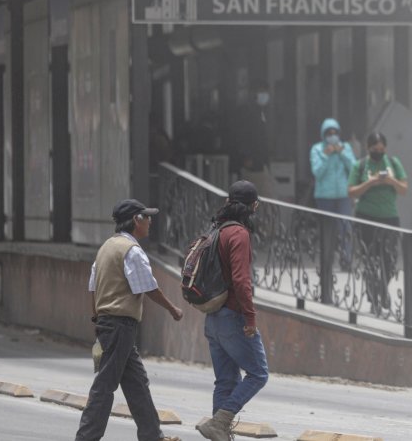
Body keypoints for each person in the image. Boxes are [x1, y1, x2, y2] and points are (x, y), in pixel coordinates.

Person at [76, 199, 184, 441]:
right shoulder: (131, 251)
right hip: (120, 325)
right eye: (147, 217)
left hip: (110, 324)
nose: (150, 221)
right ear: (136, 220)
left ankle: (152, 436)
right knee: (104, 386)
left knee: (137, 383)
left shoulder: (106, 248)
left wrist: (97, 318)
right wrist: (173, 309)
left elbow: (93, 287)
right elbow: (148, 287)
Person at [196, 181, 270, 441]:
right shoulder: (239, 234)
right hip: (232, 316)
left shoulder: (217, 229)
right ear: (254, 206)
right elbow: (241, 280)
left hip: (213, 316)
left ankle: (218, 431)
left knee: (226, 380)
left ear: (228, 202)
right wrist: (250, 317)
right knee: (258, 373)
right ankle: (222, 420)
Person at [347, 132, 408, 316]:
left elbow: (403, 189)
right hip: (367, 217)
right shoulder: (360, 166)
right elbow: (352, 191)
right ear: (368, 148)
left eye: (382, 149)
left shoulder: (393, 163)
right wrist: (370, 183)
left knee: (390, 259)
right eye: (375, 149)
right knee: (370, 259)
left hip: (389, 217)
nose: (378, 152)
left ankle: (381, 288)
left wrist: (391, 180)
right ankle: (374, 297)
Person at [311, 118, 357, 268]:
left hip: (343, 195)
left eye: (335, 133)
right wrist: (326, 155)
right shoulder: (317, 149)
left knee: (345, 227)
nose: (332, 136)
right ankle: (326, 260)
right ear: (323, 135)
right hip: (324, 197)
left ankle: (346, 259)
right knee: (327, 230)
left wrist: (342, 153)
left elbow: (354, 168)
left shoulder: (345, 147)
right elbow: (317, 172)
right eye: (329, 133)